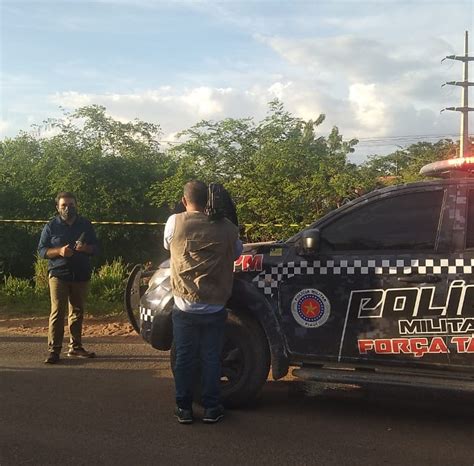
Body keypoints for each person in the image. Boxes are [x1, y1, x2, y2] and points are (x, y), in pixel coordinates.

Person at [164, 181, 242, 424]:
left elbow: (167, 245)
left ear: (185, 200)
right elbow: (238, 253)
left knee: (185, 357)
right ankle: (211, 408)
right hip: (215, 305)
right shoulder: (228, 228)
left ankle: (184, 408)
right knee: (211, 357)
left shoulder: (174, 222)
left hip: (184, 304)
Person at [38, 192, 99, 364]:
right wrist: (59, 251)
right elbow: (42, 251)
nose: (67, 208)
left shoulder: (85, 224)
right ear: (57, 207)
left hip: (81, 274)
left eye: (71, 205)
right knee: (58, 312)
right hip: (59, 274)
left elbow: (96, 248)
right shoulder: (51, 226)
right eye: (64, 205)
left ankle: (76, 347)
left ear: (76, 205)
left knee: (77, 311)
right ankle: (54, 350)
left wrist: (85, 248)